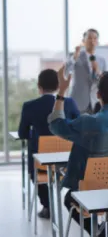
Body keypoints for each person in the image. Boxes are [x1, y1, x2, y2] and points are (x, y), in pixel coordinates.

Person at [48, 69, 108, 236]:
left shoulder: (87, 123)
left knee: (69, 200)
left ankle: (98, 233)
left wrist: (61, 91)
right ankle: (105, 231)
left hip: (87, 193)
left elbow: (56, 124)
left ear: (98, 95)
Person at [18, 69, 80, 219]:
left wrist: (38, 136)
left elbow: (22, 134)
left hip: (41, 164)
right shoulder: (70, 103)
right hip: (67, 161)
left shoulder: (29, 106)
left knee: (35, 171)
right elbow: (78, 127)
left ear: (39, 86)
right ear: (59, 86)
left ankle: (47, 205)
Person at [65, 29, 107, 114]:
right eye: (89, 38)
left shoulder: (101, 60)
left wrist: (97, 70)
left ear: (97, 42)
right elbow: (66, 73)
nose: (92, 41)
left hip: (96, 102)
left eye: (95, 38)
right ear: (83, 41)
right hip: (78, 102)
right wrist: (74, 58)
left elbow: (103, 82)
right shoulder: (75, 56)